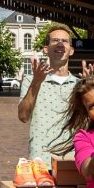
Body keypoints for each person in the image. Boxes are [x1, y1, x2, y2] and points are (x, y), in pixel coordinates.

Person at [17, 24, 79, 165]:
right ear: (46, 49)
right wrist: (36, 83)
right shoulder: (31, 80)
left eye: (64, 41)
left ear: (71, 50)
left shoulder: (80, 85)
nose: (60, 44)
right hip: (41, 159)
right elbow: (23, 116)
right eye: (55, 40)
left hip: (73, 159)